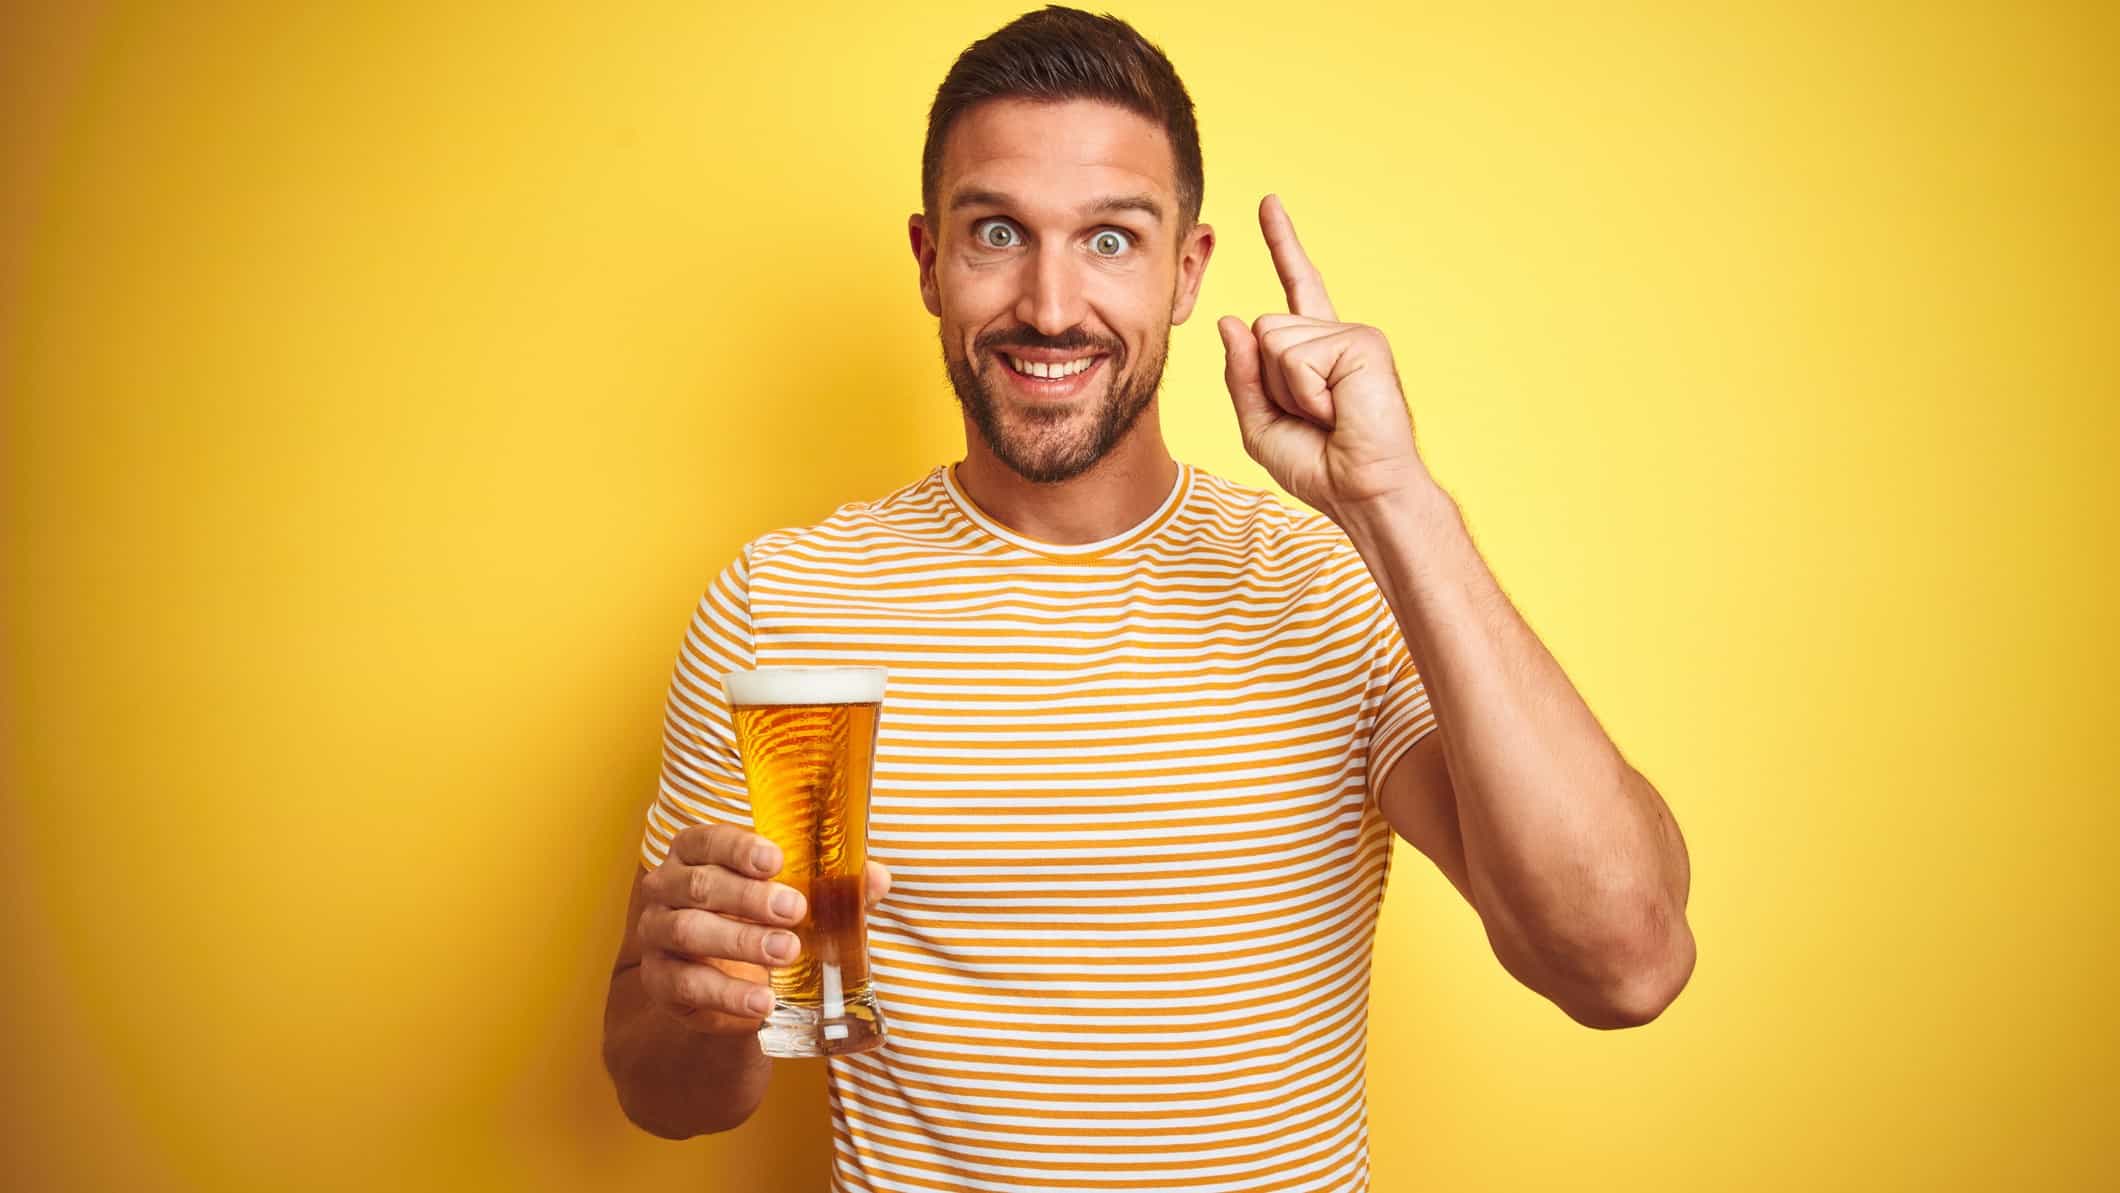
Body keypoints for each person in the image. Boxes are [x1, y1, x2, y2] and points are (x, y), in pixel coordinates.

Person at [602, 5, 1695, 1188]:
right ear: (927, 260)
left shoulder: (1332, 585)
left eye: (1110, 239)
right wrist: (696, 996)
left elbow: (1622, 963)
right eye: (996, 233)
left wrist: (1397, 503)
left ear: (1185, 269)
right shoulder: (781, 602)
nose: (1051, 304)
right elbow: (667, 1097)